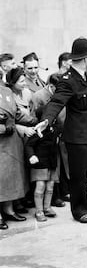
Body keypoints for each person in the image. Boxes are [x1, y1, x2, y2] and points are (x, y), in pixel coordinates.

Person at [35, 37, 87, 224]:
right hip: (76, 137)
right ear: (85, 58)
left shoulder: (82, 77)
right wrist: (46, 120)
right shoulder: (68, 80)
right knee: (79, 176)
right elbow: (56, 102)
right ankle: (80, 210)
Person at [32, 73, 68, 208]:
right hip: (44, 139)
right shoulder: (39, 96)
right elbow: (36, 117)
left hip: (59, 136)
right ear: (51, 86)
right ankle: (48, 202)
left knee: (57, 168)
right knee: (44, 174)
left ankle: (59, 194)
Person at [0, 74, 29, 229]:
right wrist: (4, 128)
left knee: (10, 176)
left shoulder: (6, 91)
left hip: (11, 141)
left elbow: (17, 113)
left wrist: (35, 120)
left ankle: (9, 209)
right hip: (2, 137)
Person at [26, 106, 60, 222]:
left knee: (50, 186)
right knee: (40, 187)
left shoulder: (54, 128)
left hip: (51, 162)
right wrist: (31, 155)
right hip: (40, 163)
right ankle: (39, 210)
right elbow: (29, 145)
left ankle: (47, 207)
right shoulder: (38, 129)